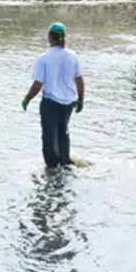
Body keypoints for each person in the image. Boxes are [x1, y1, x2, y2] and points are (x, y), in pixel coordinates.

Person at [21, 22, 85, 168]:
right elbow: (79, 81)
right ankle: (66, 163)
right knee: (64, 133)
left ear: (50, 37)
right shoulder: (72, 56)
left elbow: (37, 85)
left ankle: (51, 171)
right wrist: (81, 100)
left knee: (49, 138)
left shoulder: (43, 58)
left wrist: (27, 99)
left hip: (50, 103)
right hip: (68, 103)